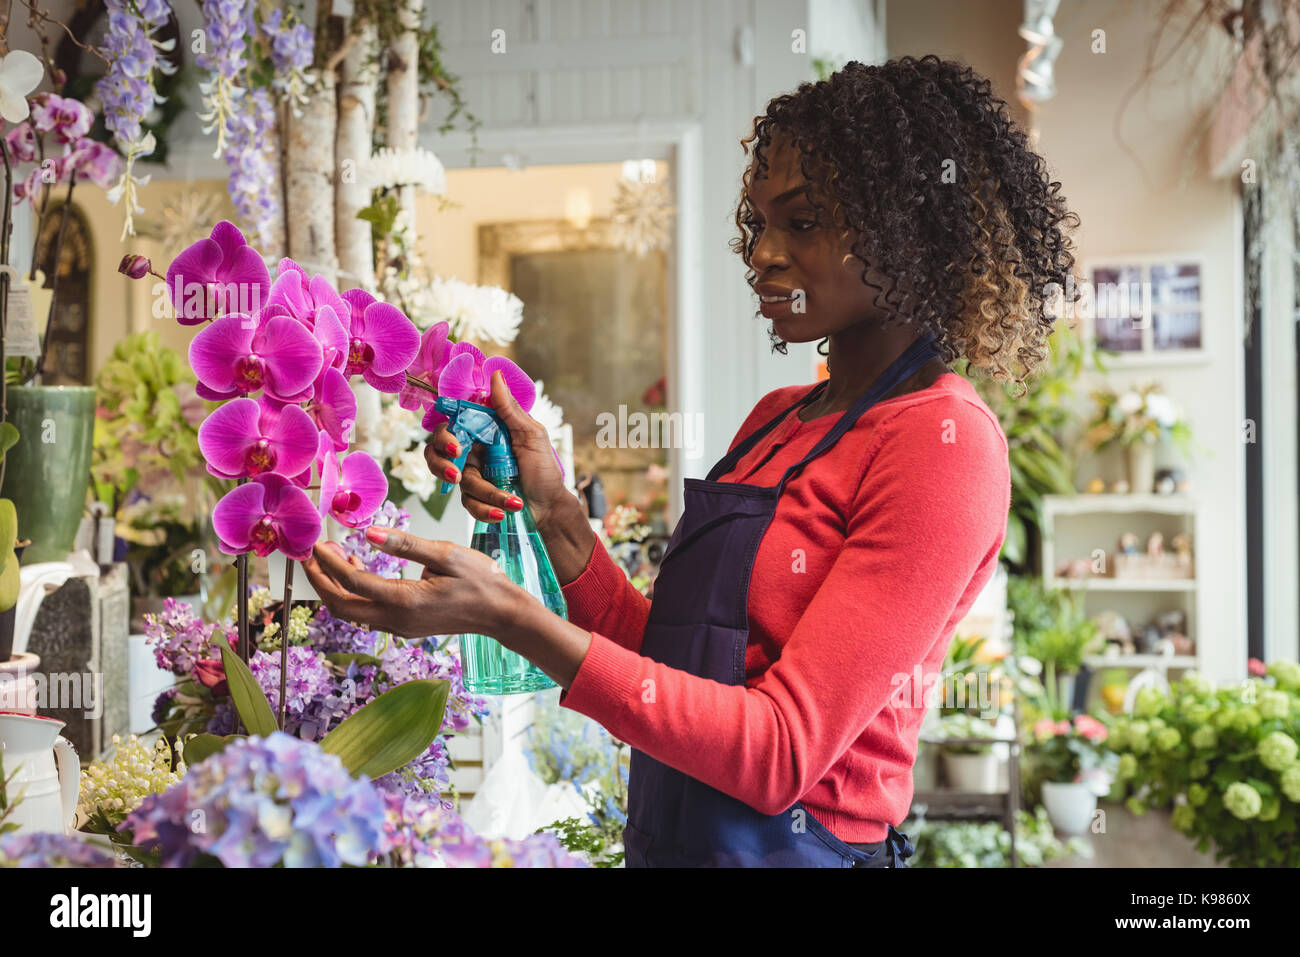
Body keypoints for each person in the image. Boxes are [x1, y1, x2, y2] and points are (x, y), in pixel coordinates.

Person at [303, 55, 1081, 868]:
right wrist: (558, 518)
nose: (764, 254)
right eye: (759, 224)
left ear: (908, 229)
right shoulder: (778, 418)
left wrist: (510, 618)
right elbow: (674, 661)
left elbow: (780, 748)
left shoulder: (941, 444)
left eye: (803, 221)